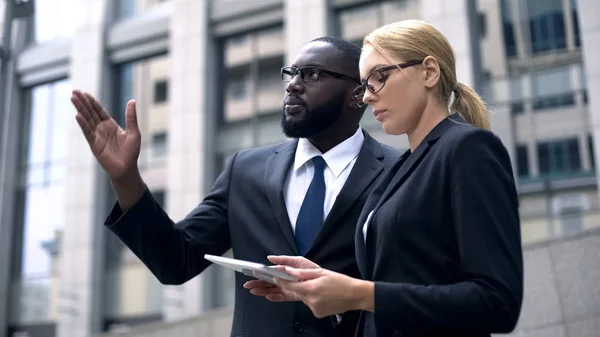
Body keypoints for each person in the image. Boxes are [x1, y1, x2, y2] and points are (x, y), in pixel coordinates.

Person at [70, 36, 401, 337]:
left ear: (358, 94)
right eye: (292, 73)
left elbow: (415, 289)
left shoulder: (400, 172)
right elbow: (176, 261)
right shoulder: (246, 170)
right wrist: (126, 177)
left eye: (312, 75)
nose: (293, 86)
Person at [247, 20, 524, 337]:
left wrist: (359, 293)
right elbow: (406, 280)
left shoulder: (468, 149)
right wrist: (328, 285)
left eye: (379, 78)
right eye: (364, 84)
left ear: (429, 72)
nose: (366, 97)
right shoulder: (402, 167)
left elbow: (497, 302)